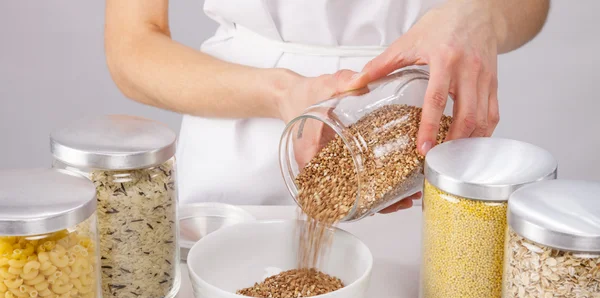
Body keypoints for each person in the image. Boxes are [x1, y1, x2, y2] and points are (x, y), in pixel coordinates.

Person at [105, 0, 550, 212]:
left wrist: (479, 16)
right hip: (233, 150)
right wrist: (279, 93)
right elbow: (131, 49)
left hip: (401, 151)